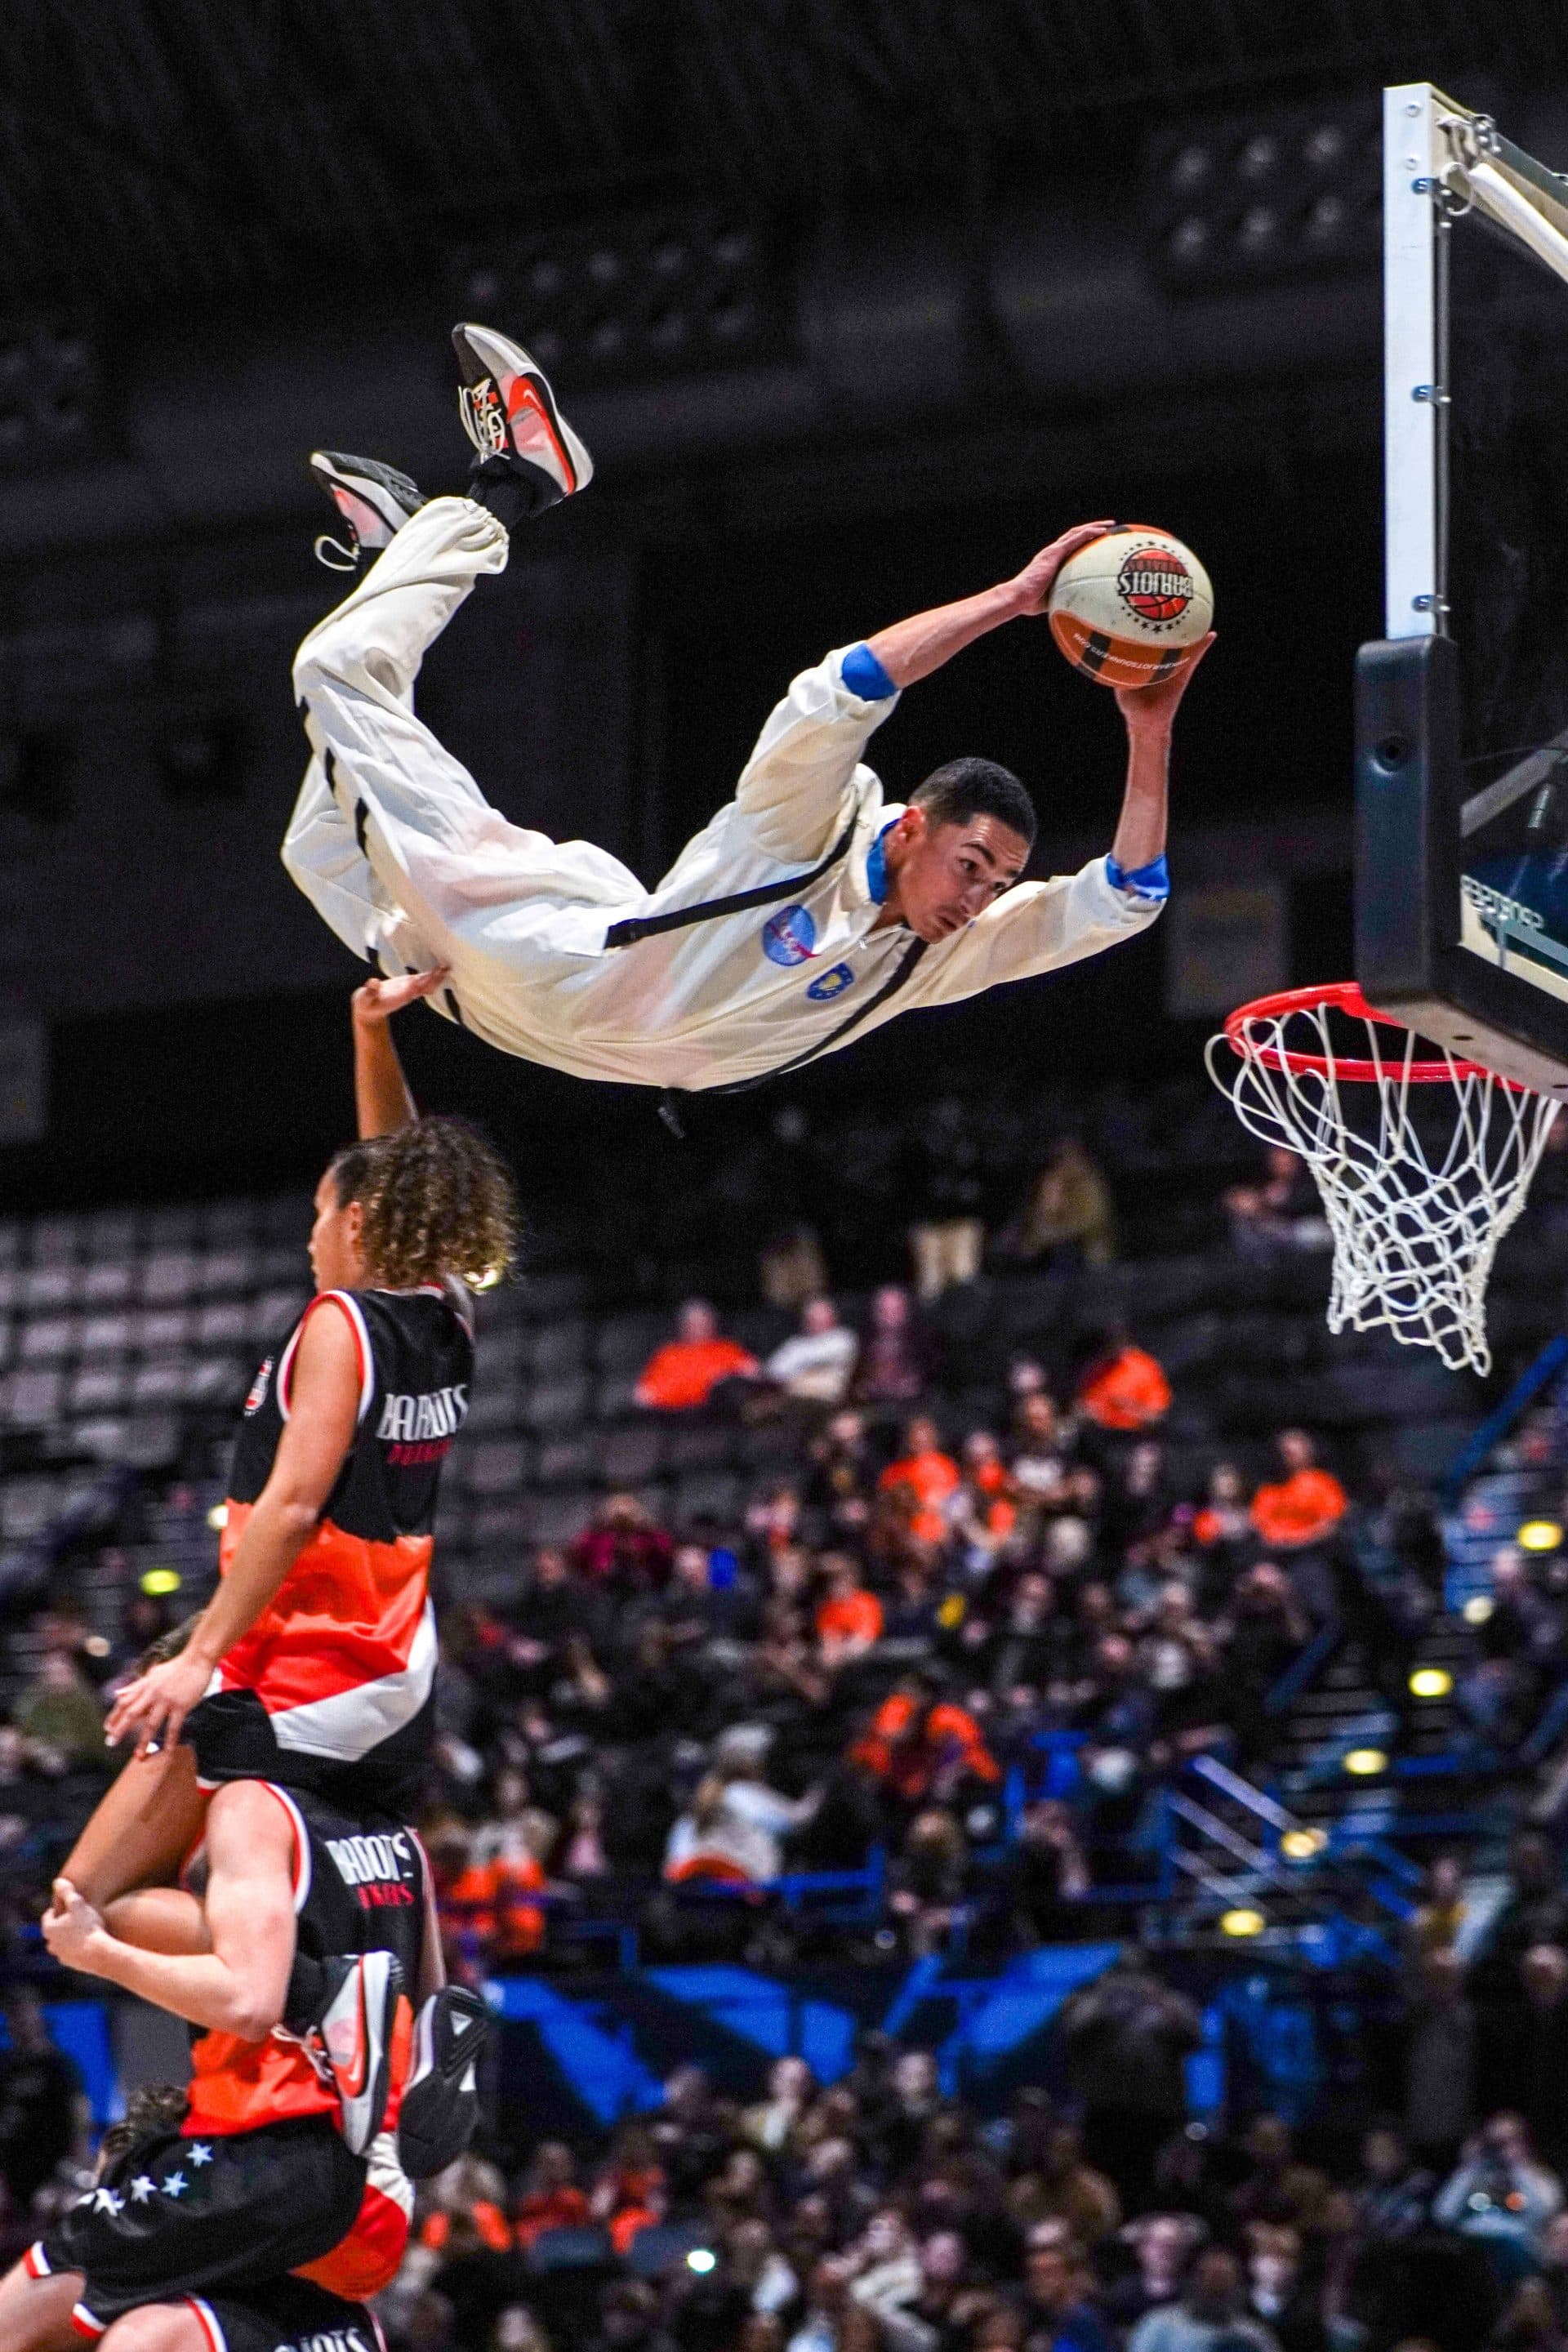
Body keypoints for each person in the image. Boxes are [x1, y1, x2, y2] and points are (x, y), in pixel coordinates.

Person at [283, 328, 1211, 1107]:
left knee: (316, 846)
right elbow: (847, 687)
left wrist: (1153, 728)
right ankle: (519, 479)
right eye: (972, 867)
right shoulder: (811, 825)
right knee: (333, 675)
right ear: (912, 830)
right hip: (545, 959)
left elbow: (1127, 898)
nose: (979, 899)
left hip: (511, 1013)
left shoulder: (942, 953)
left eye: (998, 884)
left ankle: (401, 557)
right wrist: (1012, 599)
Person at [58, 974, 518, 1931]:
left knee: (82, 1908)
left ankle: (355, 1954)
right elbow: (400, 1165)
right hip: (390, 1657)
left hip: (300, 1664)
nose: (309, 1235)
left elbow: (297, 1504)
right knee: (211, 1891)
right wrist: (370, 1035)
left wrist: (201, 1658)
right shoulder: (445, 1315)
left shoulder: (340, 1325)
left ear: (357, 1222)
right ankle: (353, 1958)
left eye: (320, 1211)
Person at [0, 1767, 445, 2351]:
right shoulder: (400, 1839)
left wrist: (99, 1953)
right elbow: (443, 2013)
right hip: (373, 2190)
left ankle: (318, 1991)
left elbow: (90, 1899)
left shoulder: (251, 1810)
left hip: (280, 2150)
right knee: (144, 2339)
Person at [635, 1300, 759, 1412]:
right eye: (694, 1323)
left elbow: (752, 1375)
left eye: (705, 1322)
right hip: (678, 1419)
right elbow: (645, 1395)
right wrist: (703, 1383)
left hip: (722, 1417)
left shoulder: (729, 1349)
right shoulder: (667, 1355)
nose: (700, 1327)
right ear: (683, 1326)